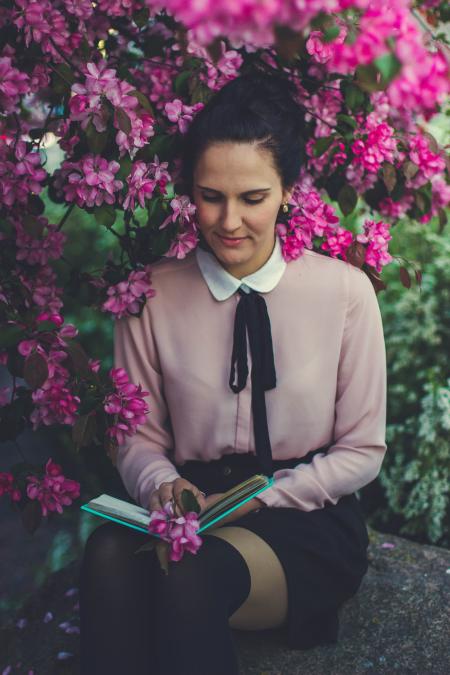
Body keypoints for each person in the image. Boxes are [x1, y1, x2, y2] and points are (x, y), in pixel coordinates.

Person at [79, 69, 387, 675]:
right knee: (107, 555)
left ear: (287, 191)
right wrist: (160, 485)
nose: (227, 222)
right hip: (190, 500)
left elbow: (363, 450)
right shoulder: (151, 295)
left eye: (252, 198)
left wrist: (262, 496)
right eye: (210, 195)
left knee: (186, 576)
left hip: (303, 513)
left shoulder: (345, 292)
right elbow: (137, 437)